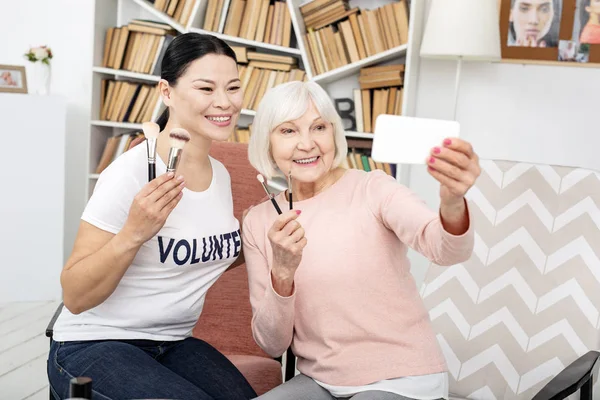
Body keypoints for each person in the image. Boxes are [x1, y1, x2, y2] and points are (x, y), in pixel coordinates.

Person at [48, 32, 257, 400]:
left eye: (233, 87)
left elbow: (202, 253)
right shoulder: (129, 174)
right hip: (93, 344)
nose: (224, 102)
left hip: (172, 342)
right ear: (166, 92)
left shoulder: (220, 175)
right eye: (206, 89)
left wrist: (267, 235)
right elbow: (75, 294)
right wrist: (134, 232)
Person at [241, 81, 480, 400]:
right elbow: (271, 343)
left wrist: (452, 201)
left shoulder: (374, 188)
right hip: (320, 381)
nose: (307, 144)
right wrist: (282, 273)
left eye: (319, 127)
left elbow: (446, 249)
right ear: (266, 142)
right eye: (288, 131)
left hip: (402, 378)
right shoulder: (259, 221)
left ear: (333, 133)